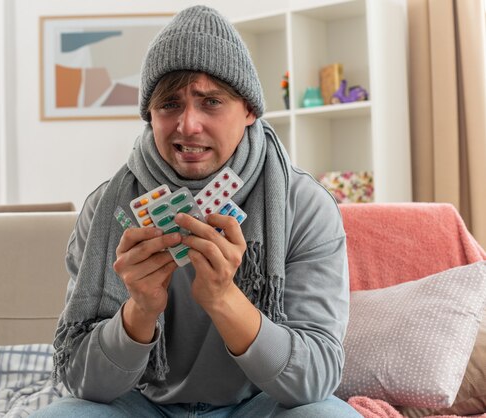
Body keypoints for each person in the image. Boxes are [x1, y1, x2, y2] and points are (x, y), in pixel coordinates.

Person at [31, 5, 361, 418]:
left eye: (211, 101)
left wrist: (224, 299)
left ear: (249, 111)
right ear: (149, 116)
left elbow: (315, 379)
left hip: (259, 405)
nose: (188, 125)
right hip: (141, 404)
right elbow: (80, 382)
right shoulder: (107, 209)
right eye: (169, 104)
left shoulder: (305, 204)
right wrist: (140, 310)